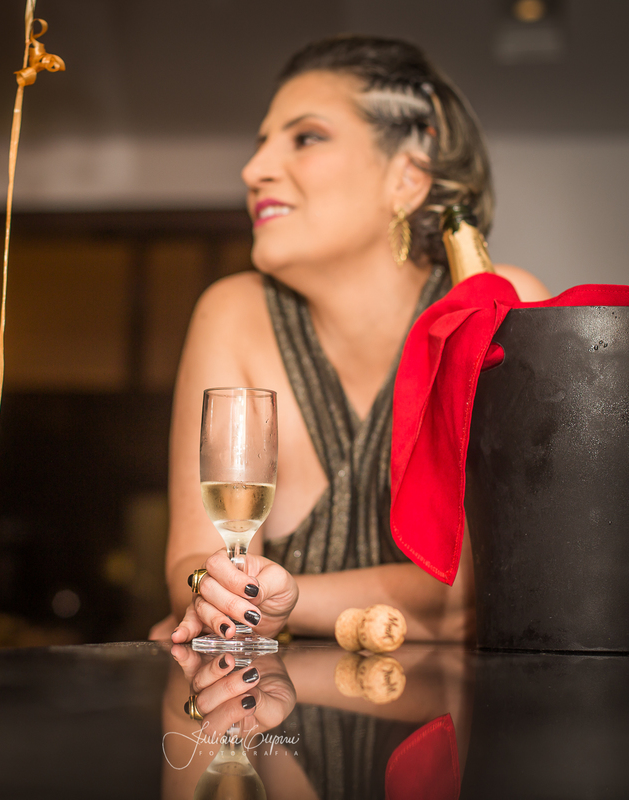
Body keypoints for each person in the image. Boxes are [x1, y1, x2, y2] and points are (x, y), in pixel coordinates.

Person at [149, 35, 550, 645]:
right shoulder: (231, 314)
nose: (253, 172)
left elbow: (507, 582)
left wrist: (281, 602)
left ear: (408, 178)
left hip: (462, 709)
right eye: (261, 144)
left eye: (306, 137)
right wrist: (209, 592)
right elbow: (191, 568)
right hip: (272, 703)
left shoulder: (498, 307)